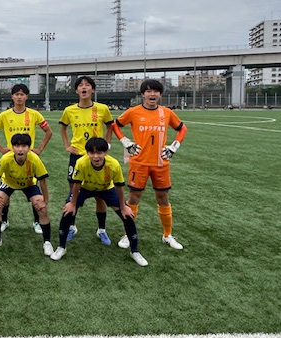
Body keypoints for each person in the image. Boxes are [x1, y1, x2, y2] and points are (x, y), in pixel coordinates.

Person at [112, 79, 188, 250]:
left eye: (155, 91)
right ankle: (127, 234)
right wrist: (125, 142)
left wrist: (174, 146)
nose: (152, 94)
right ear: (142, 94)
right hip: (139, 163)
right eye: (148, 91)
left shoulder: (166, 113)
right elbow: (115, 125)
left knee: (163, 198)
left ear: (160, 94)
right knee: (134, 197)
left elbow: (182, 129)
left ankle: (167, 235)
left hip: (160, 163)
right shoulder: (133, 112)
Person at [50, 137, 148, 266]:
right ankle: (61, 247)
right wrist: (72, 203)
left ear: (106, 152)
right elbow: (77, 184)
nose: (95, 156)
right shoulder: (81, 162)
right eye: (92, 153)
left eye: (99, 153)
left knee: (127, 216)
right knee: (67, 212)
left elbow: (119, 186)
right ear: (87, 153)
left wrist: (123, 206)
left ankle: (134, 251)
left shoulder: (113, 164)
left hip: (106, 188)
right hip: (85, 188)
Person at [0, 83, 52, 234]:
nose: (19, 97)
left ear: (26, 96)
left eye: (22, 94)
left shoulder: (34, 114)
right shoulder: (5, 115)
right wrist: (1, 148)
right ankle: (4, 220)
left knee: (34, 188)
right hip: (11, 159)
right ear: (12, 96)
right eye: (16, 94)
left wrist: (39, 149)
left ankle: (37, 222)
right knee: (5, 190)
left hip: (28, 159)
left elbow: (48, 131)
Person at [58, 76, 113, 245]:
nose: (84, 87)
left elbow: (110, 126)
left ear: (92, 89)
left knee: (100, 193)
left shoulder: (102, 109)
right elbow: (63, 127)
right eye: (80, 85)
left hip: (96, 155)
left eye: (87, 85)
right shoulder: (69, 110)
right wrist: (67, 145)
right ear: (76, 90)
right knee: (73, 191)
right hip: (77, 156)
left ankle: (101, 229)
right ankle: (72, 226)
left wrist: (107, 145)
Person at [0, 134, 54, 256]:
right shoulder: (6, 159)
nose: (20, 149)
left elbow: (42, 181)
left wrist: (45, 200)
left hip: (29, 184)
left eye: (24, 146)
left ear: (29, 148)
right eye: (17, 146)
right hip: (9, 183)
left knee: (42, 209)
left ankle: (47, 242)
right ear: (12, 147)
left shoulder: (35, 159)